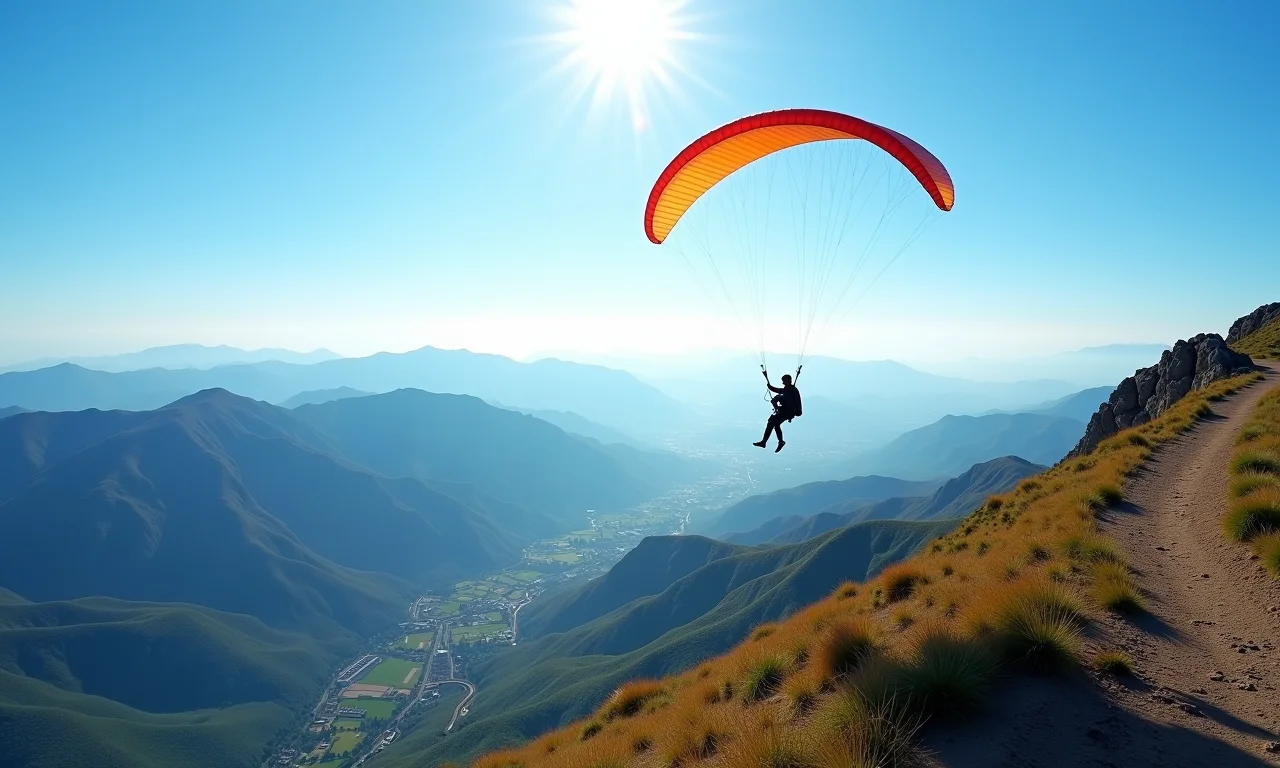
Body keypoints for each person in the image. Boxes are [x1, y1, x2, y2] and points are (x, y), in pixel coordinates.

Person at [753, 371, 802, 452]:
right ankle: (771, 442)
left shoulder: (792, 391)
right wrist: (768, 384)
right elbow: (777, 390)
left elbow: (789, 401)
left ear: (788, 380)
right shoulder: (788, 389)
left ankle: (768, 442)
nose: (782, 382)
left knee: (773, 422)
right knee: (773, 423)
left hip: (788, 412)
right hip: (785, 411)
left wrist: (779, 407)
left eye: (784, 381)